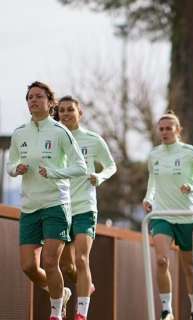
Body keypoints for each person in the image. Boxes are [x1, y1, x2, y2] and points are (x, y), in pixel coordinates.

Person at [7, 82, 87, 320]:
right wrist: (16, 169)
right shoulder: (20, 133)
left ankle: (56, 313)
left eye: (39, 96)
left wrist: (54, 172)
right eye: (30, 97)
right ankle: (60, 294)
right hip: (30, 206)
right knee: (29, 267)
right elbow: (10, 165)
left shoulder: (60, 132)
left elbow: (80, 167)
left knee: (51, 261)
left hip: (56, 204)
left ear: (50, 103)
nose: (33, 100)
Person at [143, 112, 193, 320]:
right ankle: (167, 309)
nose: (164, 132)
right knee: (161, 261)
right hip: (162, 215)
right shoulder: (154, 155)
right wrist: (148, 198)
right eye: (162, 128)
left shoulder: (189, 152)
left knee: (190, 269)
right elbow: (153, 183)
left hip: (186, 216)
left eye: (169, 128)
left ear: (178, 130)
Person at [56, 96, 117, 320]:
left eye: (70, 110)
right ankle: (85, 285)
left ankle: (81, 314)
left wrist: (99, 176)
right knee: (65, 264)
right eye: (61, 110)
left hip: (84, 207)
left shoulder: (92, 140)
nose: (65, 114)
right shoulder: (55, 140)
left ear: (79, 113)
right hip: (61, 207)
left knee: (82, 259)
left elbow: (111, 165)